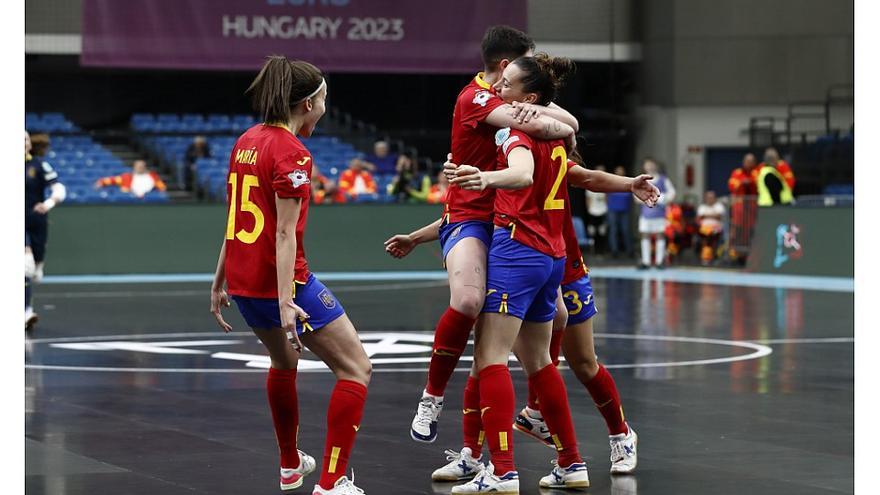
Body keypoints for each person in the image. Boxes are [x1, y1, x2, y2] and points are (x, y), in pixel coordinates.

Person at [382, 25, 578, 458]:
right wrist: (549, 121)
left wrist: (551, 119)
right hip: (473, 217)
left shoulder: (512, 101)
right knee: (470, 304)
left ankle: (504, 439)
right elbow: (553, 124)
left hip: (510, 222)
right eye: (528, 63)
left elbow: (565, 122)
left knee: (552, 318)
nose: (534, 70)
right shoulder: (475, 98)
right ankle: (432, 398)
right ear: (508, 66)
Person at [208, 56, 370, 495]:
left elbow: (233, 218)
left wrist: (219, 279)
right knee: (356, 369)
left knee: (284, 361)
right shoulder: (292, 152)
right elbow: (282, 232)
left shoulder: (246, 140)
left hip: (243, 285)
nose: (324, 108)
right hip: (284, 285)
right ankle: (333, 483)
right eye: (323, 101)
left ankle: (289, 465)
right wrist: (285, 299)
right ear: (307, 104)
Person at [513, 149, 653, 477]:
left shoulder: (547, 155)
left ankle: (621, 434)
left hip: (566, 267)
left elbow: (588, 177)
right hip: (527, 263)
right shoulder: (502, 155)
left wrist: (630, 183)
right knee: (525, 354)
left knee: (583, 362)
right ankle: (508, 440)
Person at [25, 130, 67, 331]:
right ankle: (26, 311)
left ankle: (38, 264)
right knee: (24, 266)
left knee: (34, 270)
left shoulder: (40, 165)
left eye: (25, 139)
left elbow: (59, 189)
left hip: (36, 221)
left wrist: (48, 203)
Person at [637, 158, 676, 269]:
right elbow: (635, 197)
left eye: (651, 164)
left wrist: (662, 199)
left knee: (660, 236)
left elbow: (672, 194)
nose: (649, 166)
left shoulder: (663, 180)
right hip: (646, 214)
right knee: (645, 235)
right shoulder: (641, 180)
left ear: (655, 165)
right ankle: (646, 262)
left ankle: (659, 262)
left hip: (659, 214)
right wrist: (648, 199)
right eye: (647, 164)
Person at [727, 153, 759, 263]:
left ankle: (748, 256)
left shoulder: (757, 173)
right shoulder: (737, 173)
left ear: (754, 163)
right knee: (736, 230)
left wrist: (751, 182)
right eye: (747, 161)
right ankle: (732, 254)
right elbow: (732, 186)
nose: (748, 163)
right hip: (739, 208)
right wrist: (742, 183)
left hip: (752, 209)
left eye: (751, 161)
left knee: (750, 232)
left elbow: (758, 187)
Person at [95, 159, 168, 198]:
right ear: (134, 167)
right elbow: (111, 180)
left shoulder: (152, 176)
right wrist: (101, 182)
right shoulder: (127, 177)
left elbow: (162, 187)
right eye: (139, 166)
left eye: (142, 166)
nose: (140, 168)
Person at [606, 166, 633, 258]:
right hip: (613, 209)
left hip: (625, 210)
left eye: (621, 171)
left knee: (625, 230)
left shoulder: (628, 181)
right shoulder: (611, 181)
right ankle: (614, 251)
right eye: (618, 171)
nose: (620, 172)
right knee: (613, 230)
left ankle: (629, 251)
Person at [697, 190, 726, 265]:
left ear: (715, 198)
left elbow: (719, 217)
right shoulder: (702, 207)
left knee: (713, 238)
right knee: (705, 238)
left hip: (716, 229)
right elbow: (699, 217)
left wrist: (706, 216)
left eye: (711, 198)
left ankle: (713, 257)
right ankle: (705, 257)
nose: (710, 199)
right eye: (708, 198)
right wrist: (713, 215)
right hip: (704, 230)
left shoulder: (719, 206)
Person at [584, 164, 608, 254]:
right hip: (593, 211)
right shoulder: (590, 185)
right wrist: (589, 210)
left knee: (602, 232)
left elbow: (607, 199)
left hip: (603, 211)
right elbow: (588, 199)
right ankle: (593, 251)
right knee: (592, 232)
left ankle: (602, 251)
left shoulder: (607, 184)